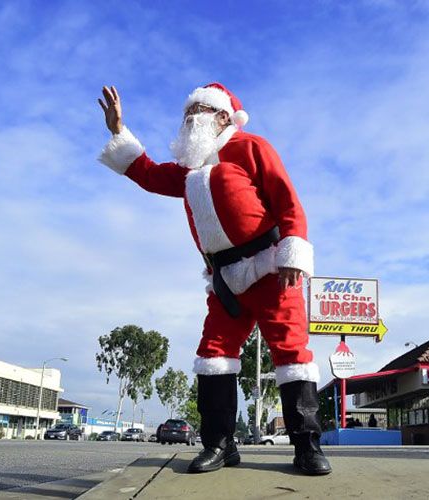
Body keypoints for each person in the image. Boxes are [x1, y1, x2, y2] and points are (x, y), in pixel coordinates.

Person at [97, 83, 331, 476]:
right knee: (213, 357)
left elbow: (287, 201)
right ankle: (220, 445)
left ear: (223, 116)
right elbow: (148, 174)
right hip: (225, 281)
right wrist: (118, 131)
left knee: (292, 357)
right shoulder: (189, 170)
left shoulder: (252, 147)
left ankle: (307, 446)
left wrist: (293, 253)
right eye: (187, 112)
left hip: (272, 267)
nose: (190, 118)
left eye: (200, 110)